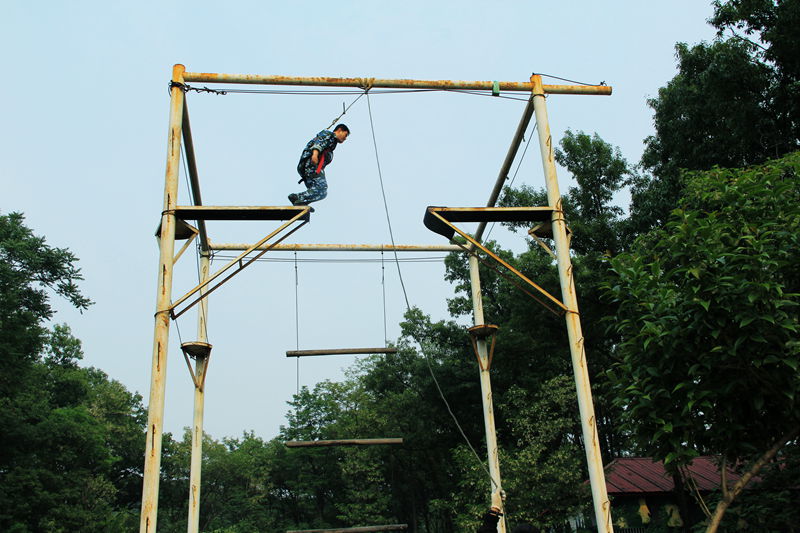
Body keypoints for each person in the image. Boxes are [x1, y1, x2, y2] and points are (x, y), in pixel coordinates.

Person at [288, 123, 350, 208]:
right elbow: (319, 142)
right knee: (322, 188)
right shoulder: (329, 135)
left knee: (319, 192)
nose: (345, 138)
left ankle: (300, 202)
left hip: (308, 167)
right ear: (339, 130)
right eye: (345, 135)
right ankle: (297, 197)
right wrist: (315, 154)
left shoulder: (332, 144)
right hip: (312, 164)